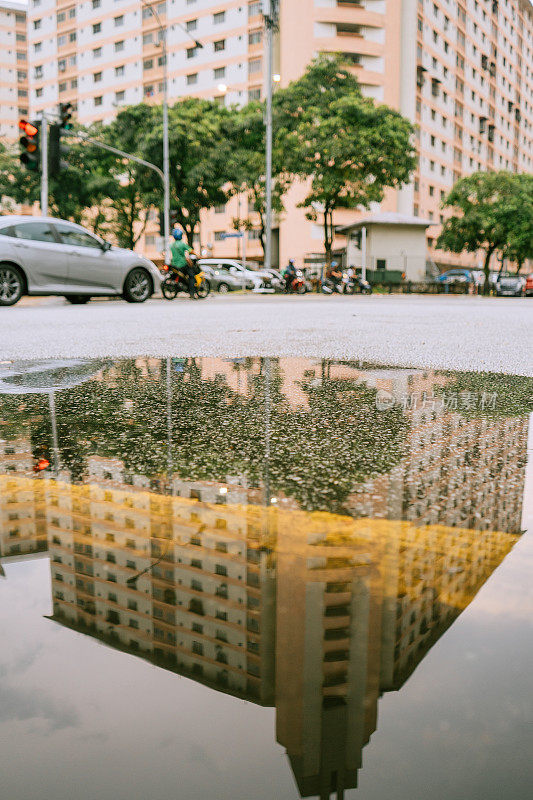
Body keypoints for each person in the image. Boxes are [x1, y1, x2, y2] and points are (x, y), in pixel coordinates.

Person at [170, 229, 195, 298]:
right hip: (182, 264)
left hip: (174, 264)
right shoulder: (182, 244)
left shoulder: (172, 245)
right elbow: (191, 250)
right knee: (191, 276)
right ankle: (192, 293)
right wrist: (197, 254)